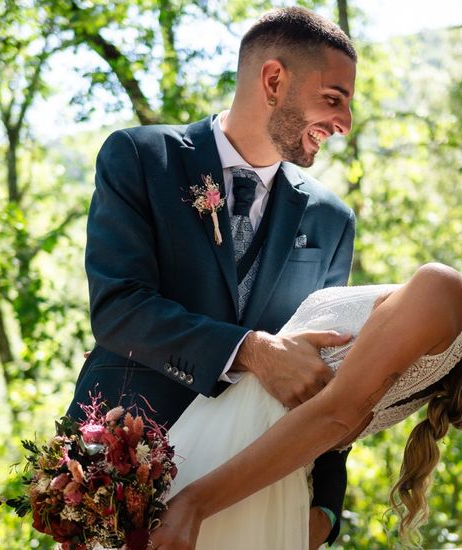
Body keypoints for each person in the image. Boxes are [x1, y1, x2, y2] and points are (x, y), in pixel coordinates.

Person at [65, 7, 359, 545]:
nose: (344, 124)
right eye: (333, 99)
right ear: (274, 80)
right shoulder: (140, 158)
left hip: (254, 493)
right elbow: (119, 308)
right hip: (126, 475)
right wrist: (251, 350)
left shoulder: (331, 221)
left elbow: (328, 367)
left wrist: (325, 508)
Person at [151, 265, 462, 549]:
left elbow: (334, 416)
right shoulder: (444, 354)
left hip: (228, 458)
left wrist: (194, 504)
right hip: (253, 471)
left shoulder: (445, 295)